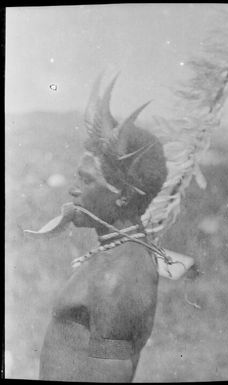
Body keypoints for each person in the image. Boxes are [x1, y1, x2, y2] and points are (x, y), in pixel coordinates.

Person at [39, 75, 168, 382]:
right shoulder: (116, 256)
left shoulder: (119, 279)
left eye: (86, 181)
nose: (73, 190)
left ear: (123, 196)